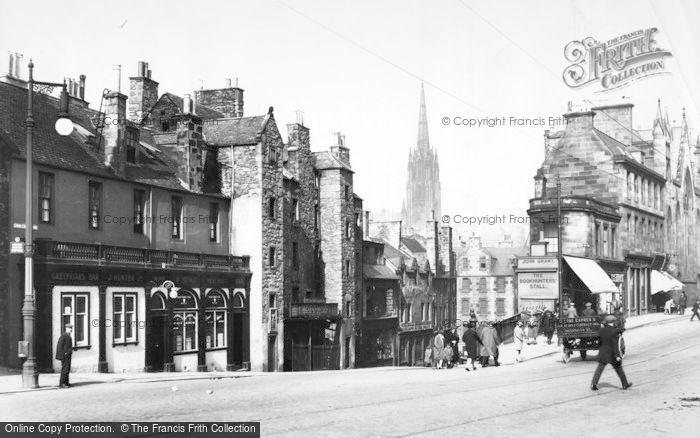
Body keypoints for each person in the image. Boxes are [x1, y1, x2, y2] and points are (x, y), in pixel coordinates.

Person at [591, 315, 632, 391]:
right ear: (612, 322)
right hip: (612, 355)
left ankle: (594, 384)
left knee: (599, 370)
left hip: (603, 354)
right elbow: (614, 345)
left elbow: (599, 342)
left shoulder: (601, 330)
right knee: (619, 370)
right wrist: (617, 356)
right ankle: (625, 384)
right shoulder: (614, 331)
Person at [55, 324, 74, 388]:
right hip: (65, 356)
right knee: (65, 369)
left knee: (67, 369)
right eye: (69, 328)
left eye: (71, 328)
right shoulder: (64, 336)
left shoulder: (68, 336)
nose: (71, 329)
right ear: (66, 329)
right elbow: (59, 346)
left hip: (68, 355)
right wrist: (63, 354)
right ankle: (62, 383)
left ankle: (66, 382)